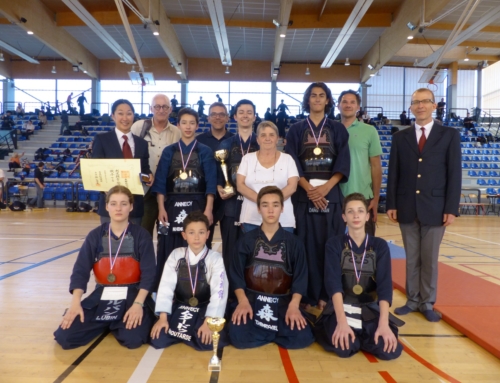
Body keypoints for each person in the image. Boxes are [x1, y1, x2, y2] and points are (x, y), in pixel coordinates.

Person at [387, 88, 461, 322]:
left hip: (436, 208)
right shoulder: (400, 137)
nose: (420, 106)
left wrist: (451, 208)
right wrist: (391, 203)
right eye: (415, 102)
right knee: (411, 258)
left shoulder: (449, 135)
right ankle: (412, 300)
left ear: (434, 106)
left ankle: (427, 302)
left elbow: (454, 174)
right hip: (407, 206)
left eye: (425, 101)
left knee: (429, 258)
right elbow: (394, 173)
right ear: (410, 107)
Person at [53, 186, 156, 349]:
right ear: (106, 206)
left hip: (133, 293)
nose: (118, 208)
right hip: (103, 293)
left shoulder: (141, 235)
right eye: (114, 203)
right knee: (65, 337)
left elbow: (149, 274)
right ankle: (110, 322)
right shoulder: (95, 235)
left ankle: (116, 322)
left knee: (133, 339)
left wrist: (138, 305)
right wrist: (75, 303)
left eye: (123, 204)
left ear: (131, 206)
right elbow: (80, 271)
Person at [315, 193, 403, 360]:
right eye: (350, 211)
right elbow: (333, 284)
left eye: (360, 211)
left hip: (369, 308)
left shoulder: (379, 246)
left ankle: (363, 335)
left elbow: (385, 287)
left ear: (367, 216)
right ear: (344, 217)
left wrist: (383, 324)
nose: (356, 215)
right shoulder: (334, 244)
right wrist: (341, 322)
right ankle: (357, 336)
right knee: (345, 347)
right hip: (341, 308)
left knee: (387, 349)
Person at [285, 82, 350, 309]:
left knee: (330, 246)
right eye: (313, 96)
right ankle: (304, 295)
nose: (317, 99)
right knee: (304, 247)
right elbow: (292, 162)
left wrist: (326, 188)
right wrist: (309, 189)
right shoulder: (295, 129)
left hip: (331, 197)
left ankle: (327, 294)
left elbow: (343, 161)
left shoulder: (338, 129)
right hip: (303, 196)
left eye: (322, 96)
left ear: (328, 101)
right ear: (307, 100)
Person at [229, 186, 314, 349]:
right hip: (252, 300)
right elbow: (236, 275)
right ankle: (274, 333)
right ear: (258, 208)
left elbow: (300, 278)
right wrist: (242, 301)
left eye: (275, 205)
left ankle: (267, 332)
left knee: (302, 337)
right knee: (238, 336)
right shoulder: (246, 241)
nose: (270, 210)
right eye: (265, 205)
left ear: (282, 208)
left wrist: (294, 305)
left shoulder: (294, 243)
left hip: (282, 302)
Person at [151, 107, 217, 293]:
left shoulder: (205, 151)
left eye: (192, 123)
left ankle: (198, 288)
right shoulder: (168, 151)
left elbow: (211, 183)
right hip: (171, 205)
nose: (188, 127)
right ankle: (166, 292)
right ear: (178, 125)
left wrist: (209, 209)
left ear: (197, 125)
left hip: (198, 205)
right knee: (167, 247)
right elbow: (161, 182)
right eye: (184, 123)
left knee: (197, 244)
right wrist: (161, 208)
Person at [150, 211, 228, 350]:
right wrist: (163, 318)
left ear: (208, 235)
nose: (196, 237)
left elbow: (219, 292)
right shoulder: (176, 255)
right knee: (158, 338)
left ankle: (197, 328)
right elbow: (165, 287)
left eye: (201, 232)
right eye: (191, 232)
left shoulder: (215, 259)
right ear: (184, 235)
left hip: (204, 307)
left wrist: (209, 322)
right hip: (181, 305)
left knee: (208, 341)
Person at [92, 99, 154, 225]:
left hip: (135, 205)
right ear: (113, 116)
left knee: (133, 243)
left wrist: (149, 176)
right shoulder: (102, 140)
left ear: (133, 116)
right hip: (111, 205)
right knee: (109, 243)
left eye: (129, 113)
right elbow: (95, 171)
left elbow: (145, 169)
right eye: (120, 113)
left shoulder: (141, 143)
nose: (125, 118)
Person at [216, 99, 259, 273]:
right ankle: (230, 293)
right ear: (234, 117)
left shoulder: (261, 143)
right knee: (230, 250)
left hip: (255, 203)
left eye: (249, 112)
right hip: (231, 205)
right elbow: (219, 173)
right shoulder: (225, 144)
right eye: (241, 112)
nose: (245, 115)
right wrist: (220, 187)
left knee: (254, 250)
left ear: (255, 117)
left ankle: (251, 290)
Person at [131, 94, 181, 237]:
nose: (161, 110)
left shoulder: (176, 132)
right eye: (157, 106)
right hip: (144, 192)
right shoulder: (139, 127)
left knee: (165, 234)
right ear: (151, 108)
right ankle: (144, 259)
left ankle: (163, 259)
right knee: (142, 234)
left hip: (166, 193)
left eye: (165, 106)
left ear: (170, 109)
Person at [237, 121, 299, 233]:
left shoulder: (288, 159)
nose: (267, 138)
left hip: (283, 220)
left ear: (277, 138)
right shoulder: (247, 158)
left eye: (271, 135)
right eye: (263, 135)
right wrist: (263, 202)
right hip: (251, 219)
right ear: (257, 139)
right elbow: (240, 185)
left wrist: (272, 204)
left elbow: (292, 186)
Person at [338, 90, 382, 236]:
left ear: (358, 107)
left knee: (365, 247)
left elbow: (376, 166)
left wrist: (375, 198)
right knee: (335, 245)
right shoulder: (330, 130)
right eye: (344, 101)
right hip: (335, 196)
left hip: (363, 196)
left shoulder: (369, 131)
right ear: (338, 105)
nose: (348, 105)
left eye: (352, 102)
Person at [196, 102, 234, 247]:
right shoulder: (199, 141)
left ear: (227, 118)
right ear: (208, 118)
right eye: (214, 114)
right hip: (205, 197)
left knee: (230, 243)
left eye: (221, 114)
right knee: (203, 241)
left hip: (229, 197)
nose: (217, 117)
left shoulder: (234, 141)